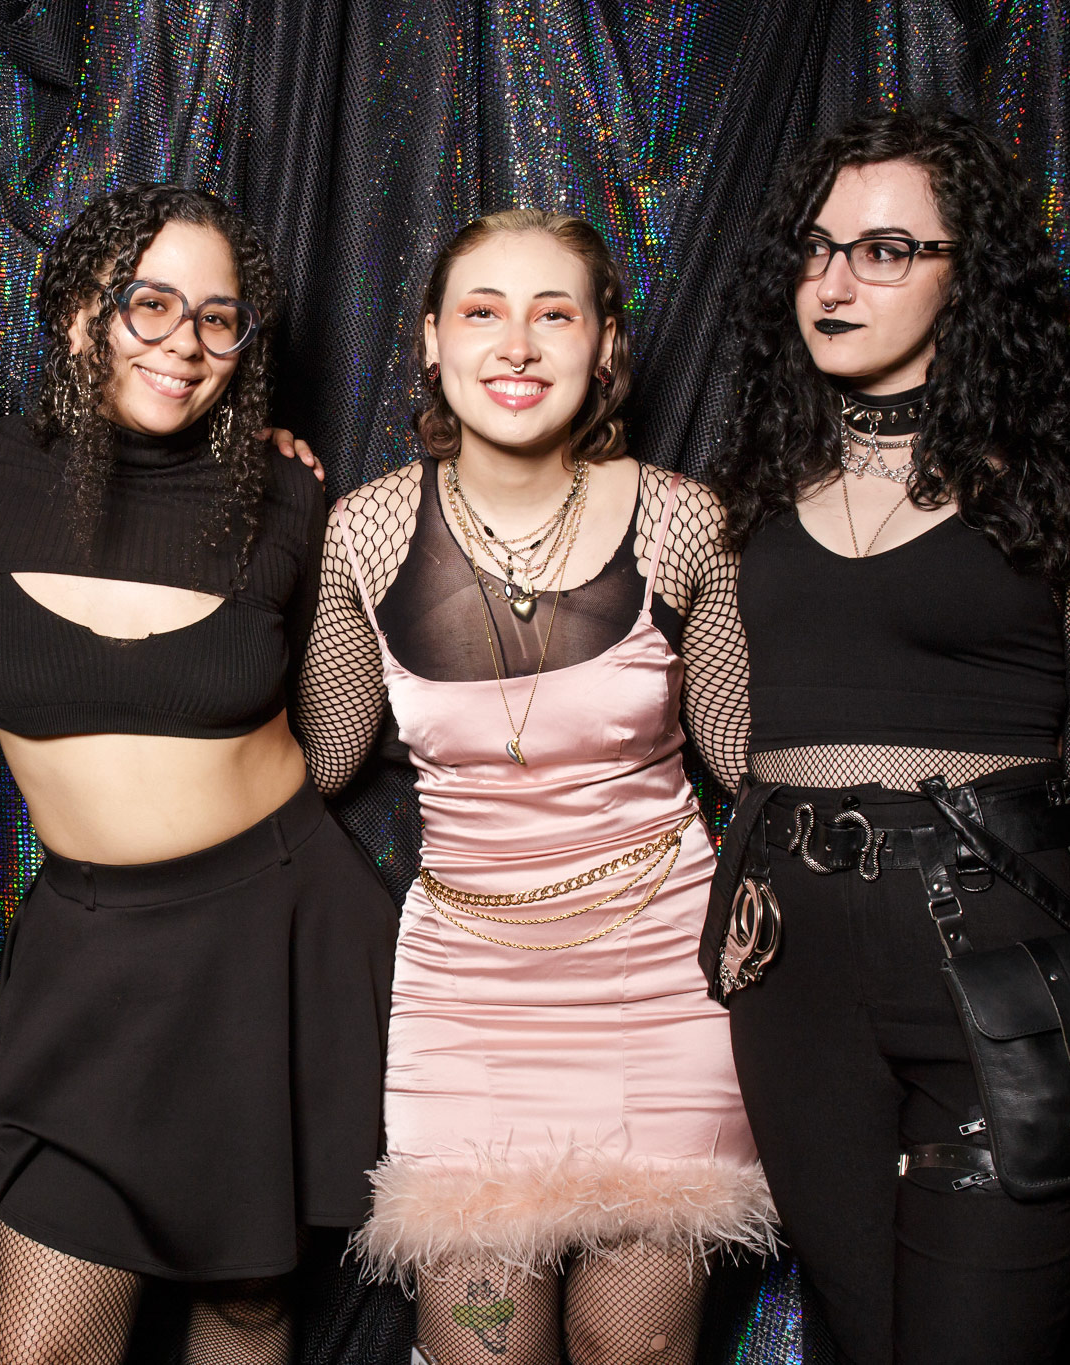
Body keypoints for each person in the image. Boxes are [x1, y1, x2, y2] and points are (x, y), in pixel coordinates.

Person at [706, 109, 1070, 1364]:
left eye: (883, 251)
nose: (833, 284)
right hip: (787, 967)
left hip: (998, 957)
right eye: (815, 248)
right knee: (860, 1338)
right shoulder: (752, 477)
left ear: (966, 274)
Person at [294, 208, 774, 1365]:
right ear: (430, 341)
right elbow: (323, 757)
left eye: (552, 315)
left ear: (603, 346)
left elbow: (747, 762)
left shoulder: (682, 521)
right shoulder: (361, 531)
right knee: (483, 1348)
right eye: (482, 313)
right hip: (466, 998)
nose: (515, 345)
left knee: (628, 1346)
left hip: (658, 984)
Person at [0, 183, 398, 1365]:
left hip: (271, 933)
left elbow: (333, 739)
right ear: (76, 313)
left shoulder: (285, 490)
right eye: (147, 305)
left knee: (245, 1302)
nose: (182, 344)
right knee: (43, 1346)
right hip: (92, 953)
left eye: (217, 318)